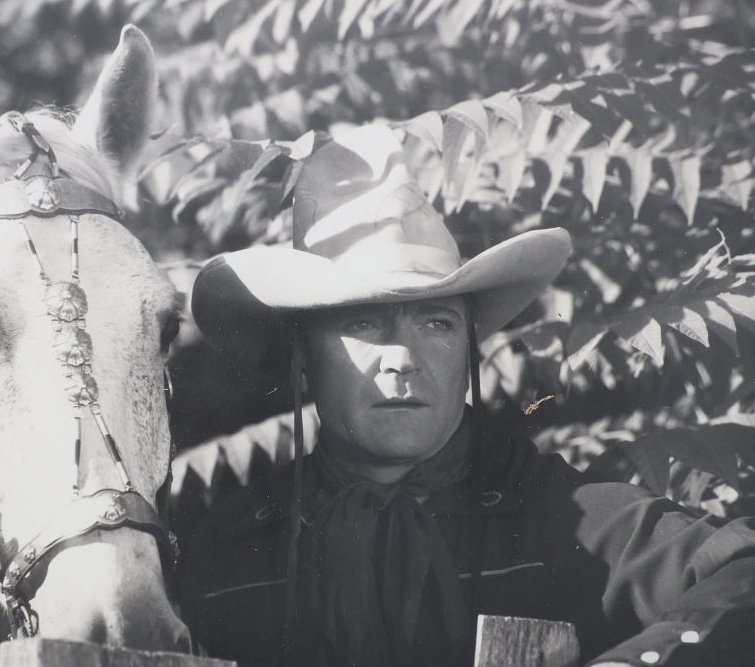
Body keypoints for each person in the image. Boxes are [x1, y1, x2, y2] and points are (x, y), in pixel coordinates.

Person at [175, 124, 755, 667]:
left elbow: (744, 571)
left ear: (469, 349)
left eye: (437, 324)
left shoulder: (566, 517)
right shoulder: (227, 554)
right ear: (303, 357)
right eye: (364, 324)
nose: (403, 358)